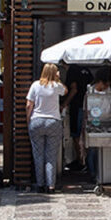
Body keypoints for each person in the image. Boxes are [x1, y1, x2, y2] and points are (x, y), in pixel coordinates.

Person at [25, 63, 66, 193]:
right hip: (53, 121)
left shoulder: (35, 85)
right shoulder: (56, 86)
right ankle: (51, 186)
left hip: (37, 120)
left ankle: (40, 184)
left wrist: (28, 120)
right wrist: (57, 79)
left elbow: (28, 105)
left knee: (38, 155)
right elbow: (66, 91)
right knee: (51, 155)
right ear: (55, 73)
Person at [63, 64, 94, 170]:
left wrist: (65, 104)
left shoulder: (72, 70)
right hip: (89, 106)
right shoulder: (86, 69)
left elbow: (74, 89)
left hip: (77, 106)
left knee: (76, 135)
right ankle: (89, 162)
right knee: (87, 133)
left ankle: (81, 162)